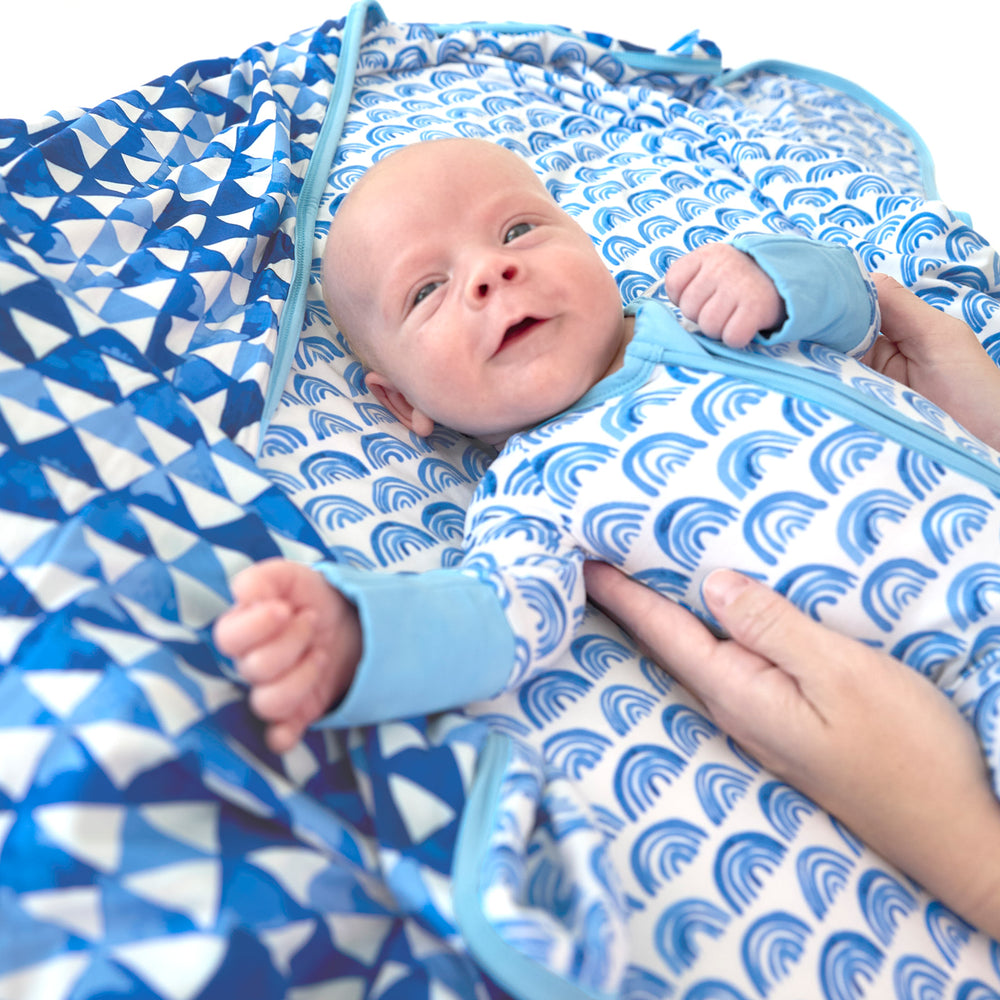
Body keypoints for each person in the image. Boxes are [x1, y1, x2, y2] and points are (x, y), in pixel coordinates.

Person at [213, 137, 1000, 929]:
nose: (492, 272)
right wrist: (359, 635)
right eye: (426, 291)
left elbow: (862, 312)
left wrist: (772, 274)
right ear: (401, 406)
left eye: (518, 231)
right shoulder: (533, 489)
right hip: (963, 679)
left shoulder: (707, 317)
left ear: (586, 240)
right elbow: (498, 616)